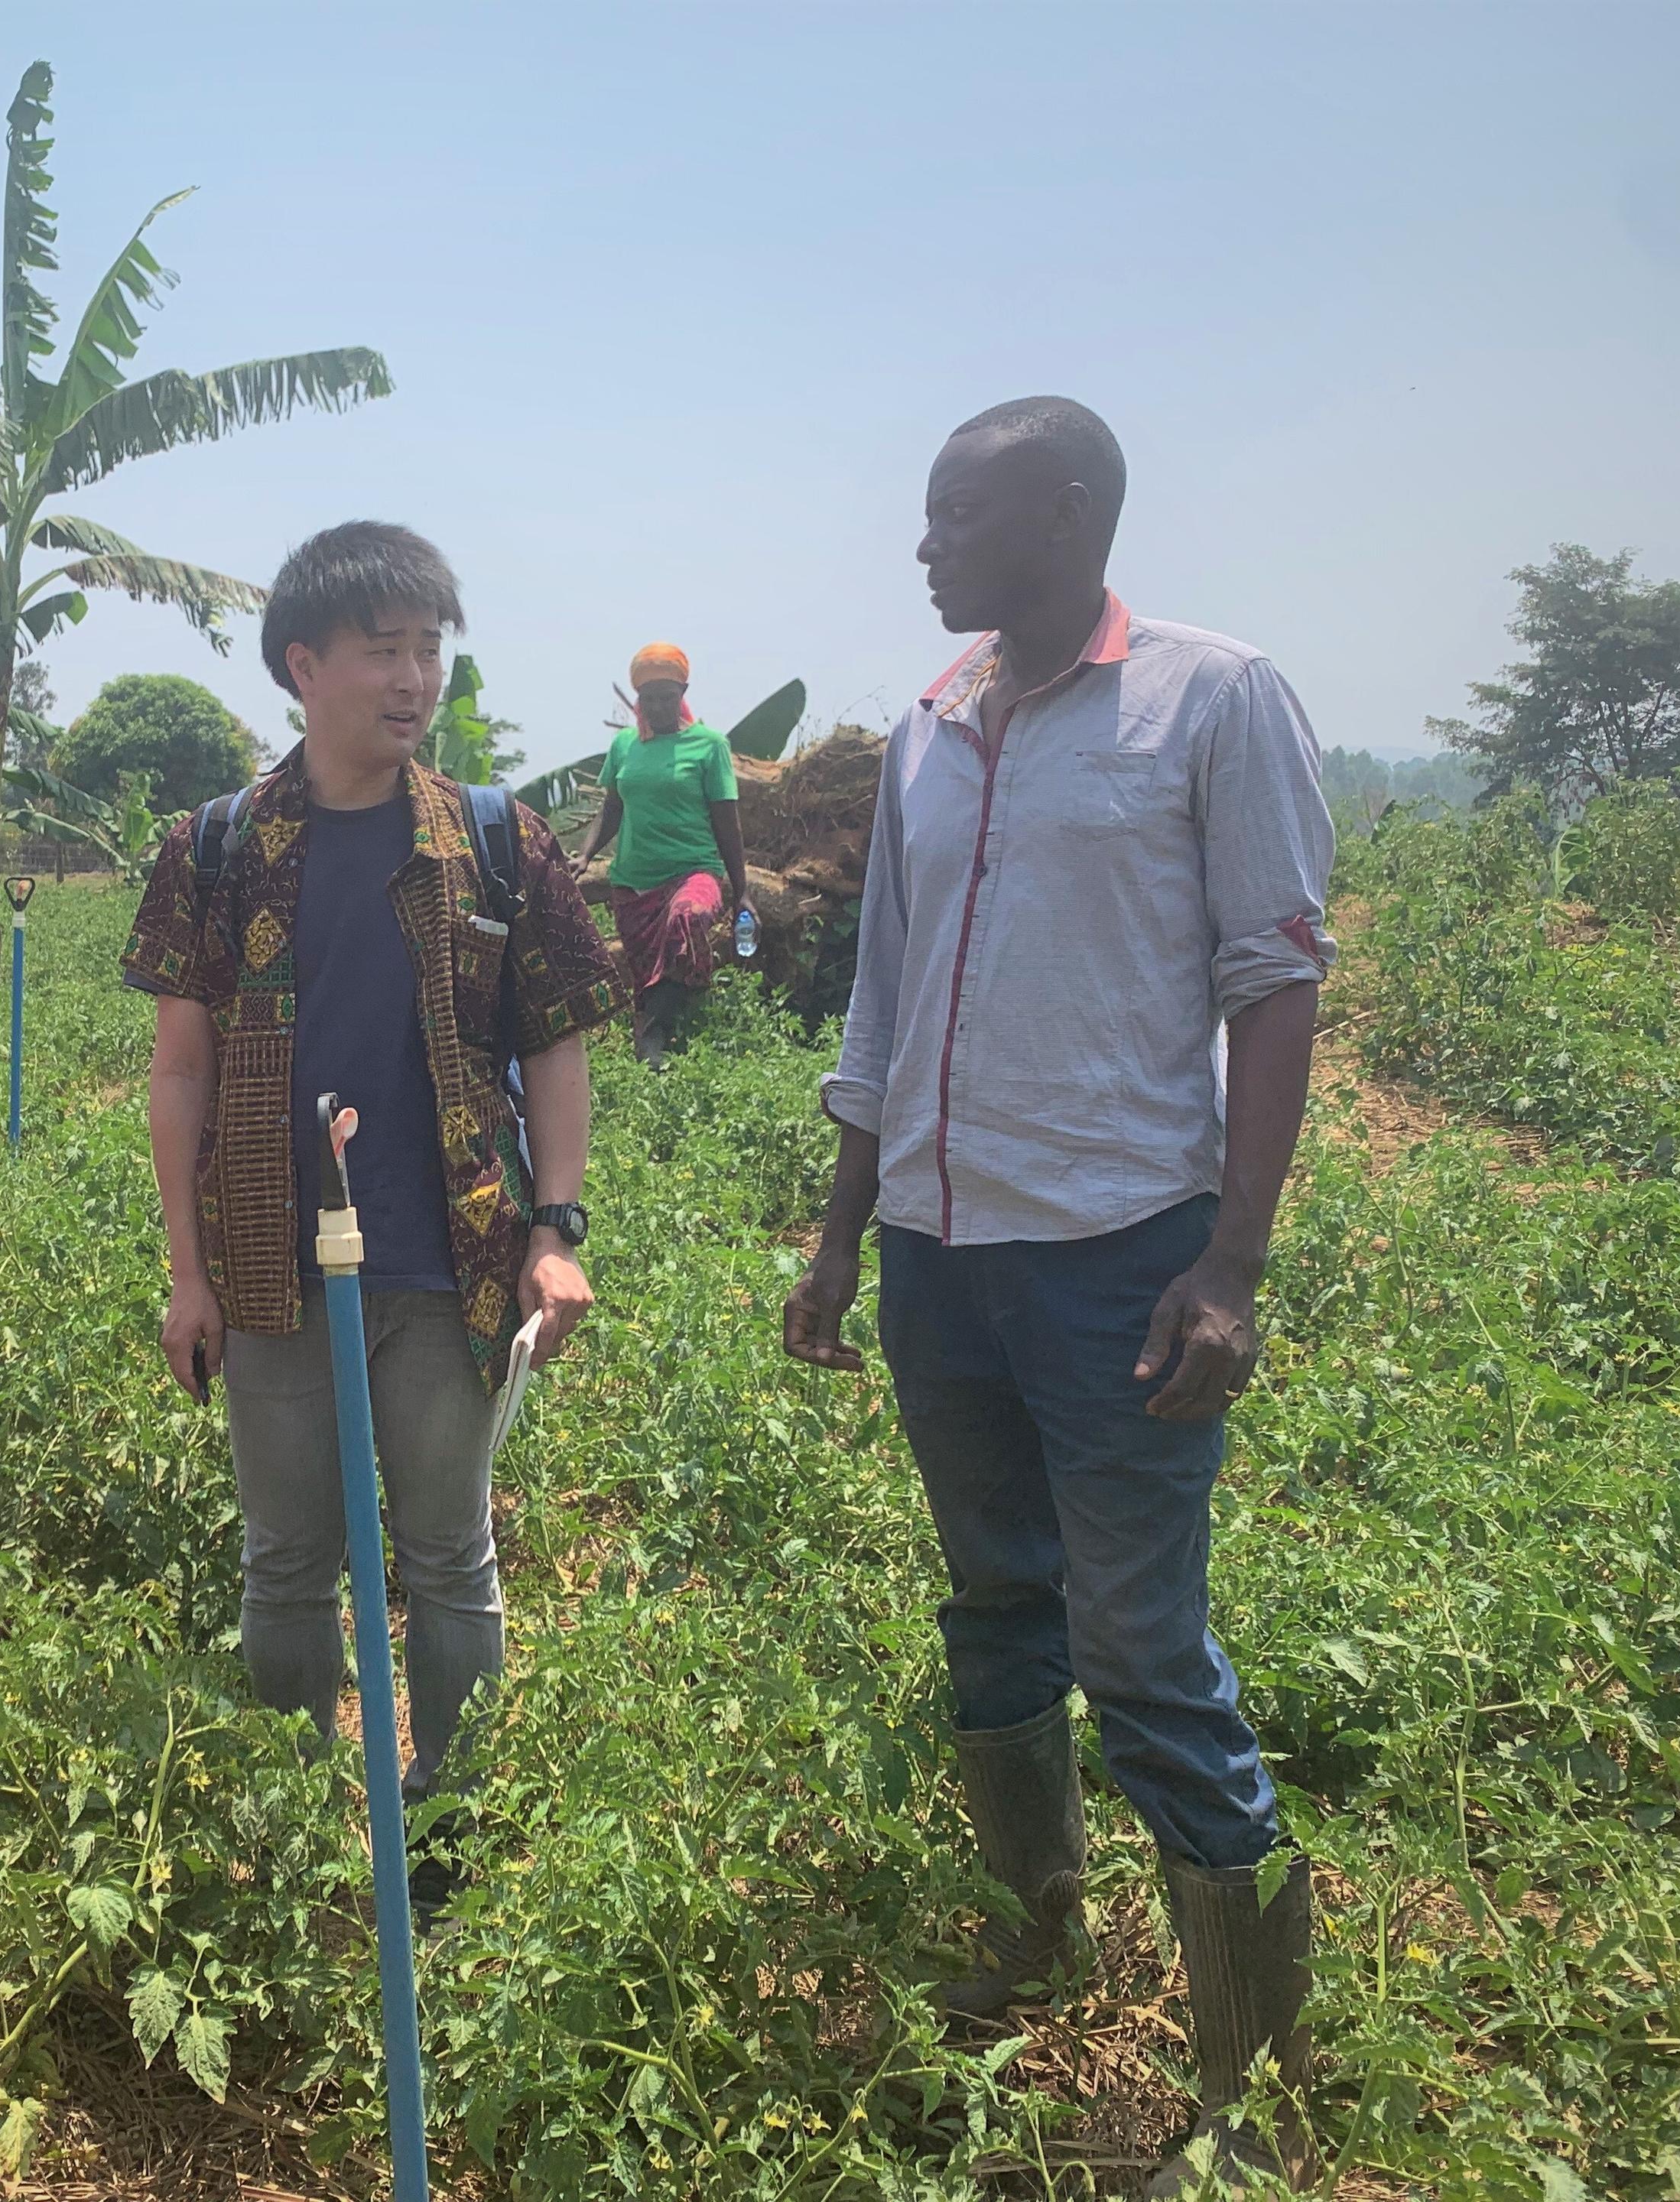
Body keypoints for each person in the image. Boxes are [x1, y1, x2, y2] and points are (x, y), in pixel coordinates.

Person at [782, 399, 1333, 2194]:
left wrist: (1230, 1264)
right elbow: (881, 1000)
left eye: (959, 513)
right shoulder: (930, 728)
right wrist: (836, 1234)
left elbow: (1272, 982)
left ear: (1070, 512)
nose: (926, 544)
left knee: (1142, 1648)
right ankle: (1034, 1935)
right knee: (996, 1601)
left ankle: (1244, 2095)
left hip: (1117, 1256)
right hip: (943, 1258)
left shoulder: (1209, 696)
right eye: (928, 513)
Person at [122, 523, 624, 1898]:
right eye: (382, 651)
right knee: (287, 1560)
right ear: (305, 664)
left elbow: (558, 1046)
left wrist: (556, 1230)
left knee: (448, 1557)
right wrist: (188, 1272)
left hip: (452, 1260)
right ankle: (289, 1833)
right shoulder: (217, 849)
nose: (414, 680)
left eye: (430, 649)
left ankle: (447, 1840)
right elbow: (180, 1071)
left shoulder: (499, 842)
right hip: (270, 1272)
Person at [578, 642, 750, 1066]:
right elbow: (612, 809)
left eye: (666, 697)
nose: (657, 706)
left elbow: (727, 822)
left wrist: (741, 891)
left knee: (687, 919)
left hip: (695, 871)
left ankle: (653, 1041)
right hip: (634, 882)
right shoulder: (625, 746)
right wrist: (583, 857)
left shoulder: (710, 746)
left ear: (683, 693)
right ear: (638, 699)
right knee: (646, 974)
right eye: (648, 698)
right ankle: (664, 1036)